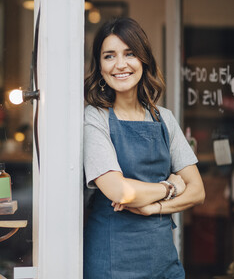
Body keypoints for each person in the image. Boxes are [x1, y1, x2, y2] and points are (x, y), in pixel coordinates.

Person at [83, 17, 205, 279]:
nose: (120, 65)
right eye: (109, 56)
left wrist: (155, 207)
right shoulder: (95, 117)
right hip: (111, 260)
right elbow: (119, 191)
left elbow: (197, 191)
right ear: (100, 66)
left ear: (143, 60)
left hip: (163, 261)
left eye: (130, 54)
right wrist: (170, 187)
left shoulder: (164, 119)